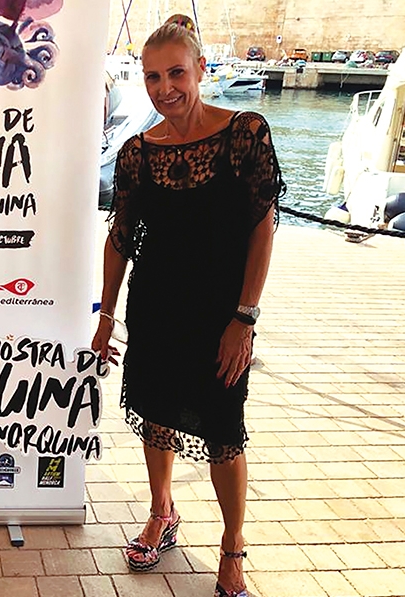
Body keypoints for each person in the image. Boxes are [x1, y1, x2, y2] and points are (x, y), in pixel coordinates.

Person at [92, 14, 284, 597]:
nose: (165, 88)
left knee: (225, 431)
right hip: (154, 311)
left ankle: (233, 547)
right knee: (156, 416)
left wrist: (244, 318)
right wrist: (105, 317)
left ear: (201, 69)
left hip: (221, 317)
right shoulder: (136, 153)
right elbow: (120, 238)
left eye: (176, 73)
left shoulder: (245, 134)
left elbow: (262, 227)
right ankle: (162, 512)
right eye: (152, 77)